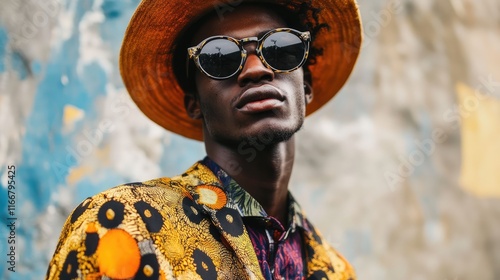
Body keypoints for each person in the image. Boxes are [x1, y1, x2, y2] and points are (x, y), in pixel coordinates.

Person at [46, 0, 362, 279]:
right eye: (220, 57)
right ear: (194, 103)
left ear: (305, 85)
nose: (255, 70)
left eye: (280, 48)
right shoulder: (122, 223)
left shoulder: (337, 271)